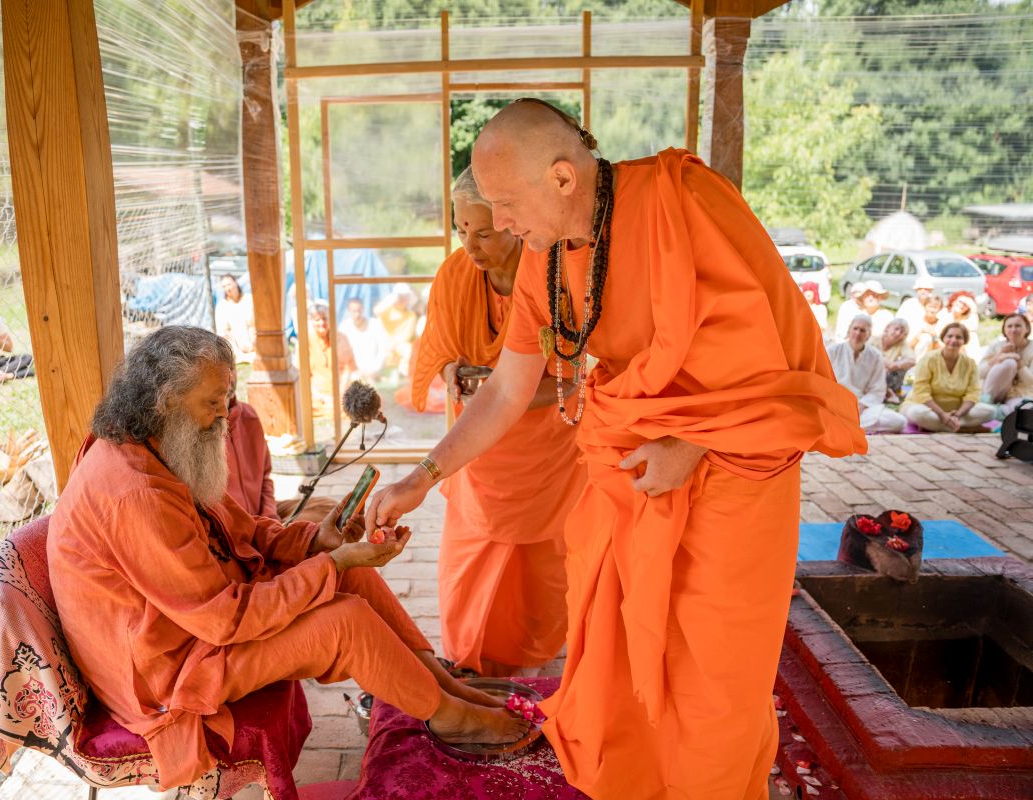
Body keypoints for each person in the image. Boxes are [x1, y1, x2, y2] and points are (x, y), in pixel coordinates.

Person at [366, 100, 865, 799]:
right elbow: (508, 390)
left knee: (713, 682)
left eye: (507, 204)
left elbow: (780, 355)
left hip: (734, 470)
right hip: (634, 468)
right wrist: (424, 474)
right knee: (626, 661)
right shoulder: (545, 261)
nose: (501, 225)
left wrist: (692, 443)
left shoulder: (682, 201)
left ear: (564, 178)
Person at [47, 326, 527, 790]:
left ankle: (441, 683)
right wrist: (332, 565)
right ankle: (450, 718)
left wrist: (318, 543)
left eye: (226, 400)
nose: (225, 417)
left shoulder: (159, 447)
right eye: (212, 404)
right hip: (170, 670)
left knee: (351, 580)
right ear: (166, 400)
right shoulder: (135, 494)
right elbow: (223, 620)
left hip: (198, 624)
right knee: (343, 621)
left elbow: (244, 530)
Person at [408, 167, 586, 678]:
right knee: (471, 560)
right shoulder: (453, 275)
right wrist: (457, 374)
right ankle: (470, 660)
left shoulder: (555, 276)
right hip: (477, 447)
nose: (470, 244)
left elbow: (569, 378)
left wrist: (499, 387)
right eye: (460, 229)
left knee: (543, 565)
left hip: (548, 447)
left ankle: (542, 659)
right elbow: (441, 348)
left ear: (514, 222)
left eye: (482, 232)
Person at [902, 322, 995, 432]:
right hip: (926, 407)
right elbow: (921, 392)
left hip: (957, 411)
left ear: (964, 341)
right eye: (949, 336)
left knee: (990, 411)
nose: (953, 340)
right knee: (917, 414)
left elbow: (973, 393)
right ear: (943, 338)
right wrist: (941, 414)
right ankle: (962, 428)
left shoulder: (970, 363)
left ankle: (947, 425)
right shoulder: (929, 359)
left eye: (958, 337)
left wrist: (959, 414)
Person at [827, 315, 906, 434]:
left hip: (861, 407)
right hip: (832, 403)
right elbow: (820, 380)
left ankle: (841, 426)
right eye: (855, 328)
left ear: (869, 334)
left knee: (899, 421)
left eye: (863, 330)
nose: (858, 333)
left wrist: (861, 406)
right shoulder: (833, 350)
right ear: (849, 330)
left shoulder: (875, 356)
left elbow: (877, 390)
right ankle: (844, 425)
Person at [224, 367, 277, 520]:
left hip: (263, 519)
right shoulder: (199, 430)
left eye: (231, 368)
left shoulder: (249, 415)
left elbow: (265, 479)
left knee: (326, 509)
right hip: (232, 531)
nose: (229, 377)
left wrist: (270, 518)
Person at [305, 300, 355, 419]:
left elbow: (348, 369)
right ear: (311, 321)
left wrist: (340, 395)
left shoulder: (341, 338)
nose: (322, 323)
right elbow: (303, 376)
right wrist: (321, 397)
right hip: (317, 394)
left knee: (360, 399)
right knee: (305, 405)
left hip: (342, 390)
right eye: (317, 320)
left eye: (325, 318)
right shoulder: (306, 340)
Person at [979, 313, 1033, 418]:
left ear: (1026, 329)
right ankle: (988, 405)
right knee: (1009, 363)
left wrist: (1019, 362)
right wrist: (998, 357)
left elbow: (1030, 382)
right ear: (1004, 330)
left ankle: (995, 415)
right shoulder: (996, 346)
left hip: (1019, 396)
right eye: (1009, 326)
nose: (1013, 330)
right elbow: (979, 373)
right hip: (992, 394)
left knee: (1027, 410)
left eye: (1018, 326)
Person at [374, 284, 418, 377]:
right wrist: (392, 299)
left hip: (400, 345)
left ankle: (403, 374)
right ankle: (375, 375)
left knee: (408, 350)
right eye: (400, 296)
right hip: (385, 344)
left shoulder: (411, 315)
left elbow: (408, 335)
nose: (403, 299)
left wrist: (394, 344)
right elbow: (377, 311)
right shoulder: (387, 311)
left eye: (405, 297)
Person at [338, 297, 386, 382]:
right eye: (354, 311)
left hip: (373, 371)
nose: (357, 314)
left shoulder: (375, 324)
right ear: (349, 311)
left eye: (359, 310)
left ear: (363, 309)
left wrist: (375, 369)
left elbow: (383, 348)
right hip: (353, 373)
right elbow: (341, 352)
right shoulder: (344, 327)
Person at [215, 274, 255, 364]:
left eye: (229, 284)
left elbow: (257, 324)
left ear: (235, 283)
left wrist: (254, 343)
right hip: (236, 348)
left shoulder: (249, 299)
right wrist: (236, 351)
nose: (227, 288)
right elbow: (223, 332)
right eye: (224, 286)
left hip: (254, 343)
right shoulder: (222, 306)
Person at [879, 318, 916, 402]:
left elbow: (912, 361)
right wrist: (887, 363)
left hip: (888, 376)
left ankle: (902, 392)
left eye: (902, 332)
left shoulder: (902, 344)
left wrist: (896, 365)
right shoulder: (875, 338)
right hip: (870, 374)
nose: (898, 333)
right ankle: (889, 394)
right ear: (888, 328)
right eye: (896, 329)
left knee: (912, 371)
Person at [908, 293, 949, 361]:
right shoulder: (916, 322)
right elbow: (909, 346)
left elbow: (942, 350)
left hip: (934, 360)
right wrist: (920, 333)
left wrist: (934, 337)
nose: (932, 310)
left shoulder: (942, 325)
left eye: (935, 307)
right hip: (913, 358)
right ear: (924, 307)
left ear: (940, 309)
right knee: (925, 338)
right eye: (930, 306)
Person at [947, 291, 983, 360]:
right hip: (945, 344)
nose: (961, 305)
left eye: (965, 304)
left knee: (972, 336)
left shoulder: (968, 319)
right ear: (954, 301)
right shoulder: (945, 314)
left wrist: (972, 305)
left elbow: (973, 326)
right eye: (960, 302)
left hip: (962, 346)